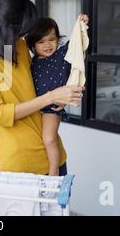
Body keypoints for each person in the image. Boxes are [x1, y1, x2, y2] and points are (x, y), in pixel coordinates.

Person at [0, 0, 84, 175]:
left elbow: (37, 82)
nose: (25, 36)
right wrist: (51, 96)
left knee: (60, 205)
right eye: (22, 30)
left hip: (53, 155)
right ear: (9, 28)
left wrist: (60, 94)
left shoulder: (18, 46)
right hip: (21, 164)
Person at [26, 14, 89, 176]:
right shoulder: (31, 62)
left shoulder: (61, 55)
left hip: (51, 107)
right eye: (41, 42)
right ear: (33, 45)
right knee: (39, 140)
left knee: (49, 139)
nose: (47, 45)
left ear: (58, 39)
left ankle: (54, 171)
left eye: (52, 39)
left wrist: (81, 24)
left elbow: (76, 42)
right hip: (35, 107)